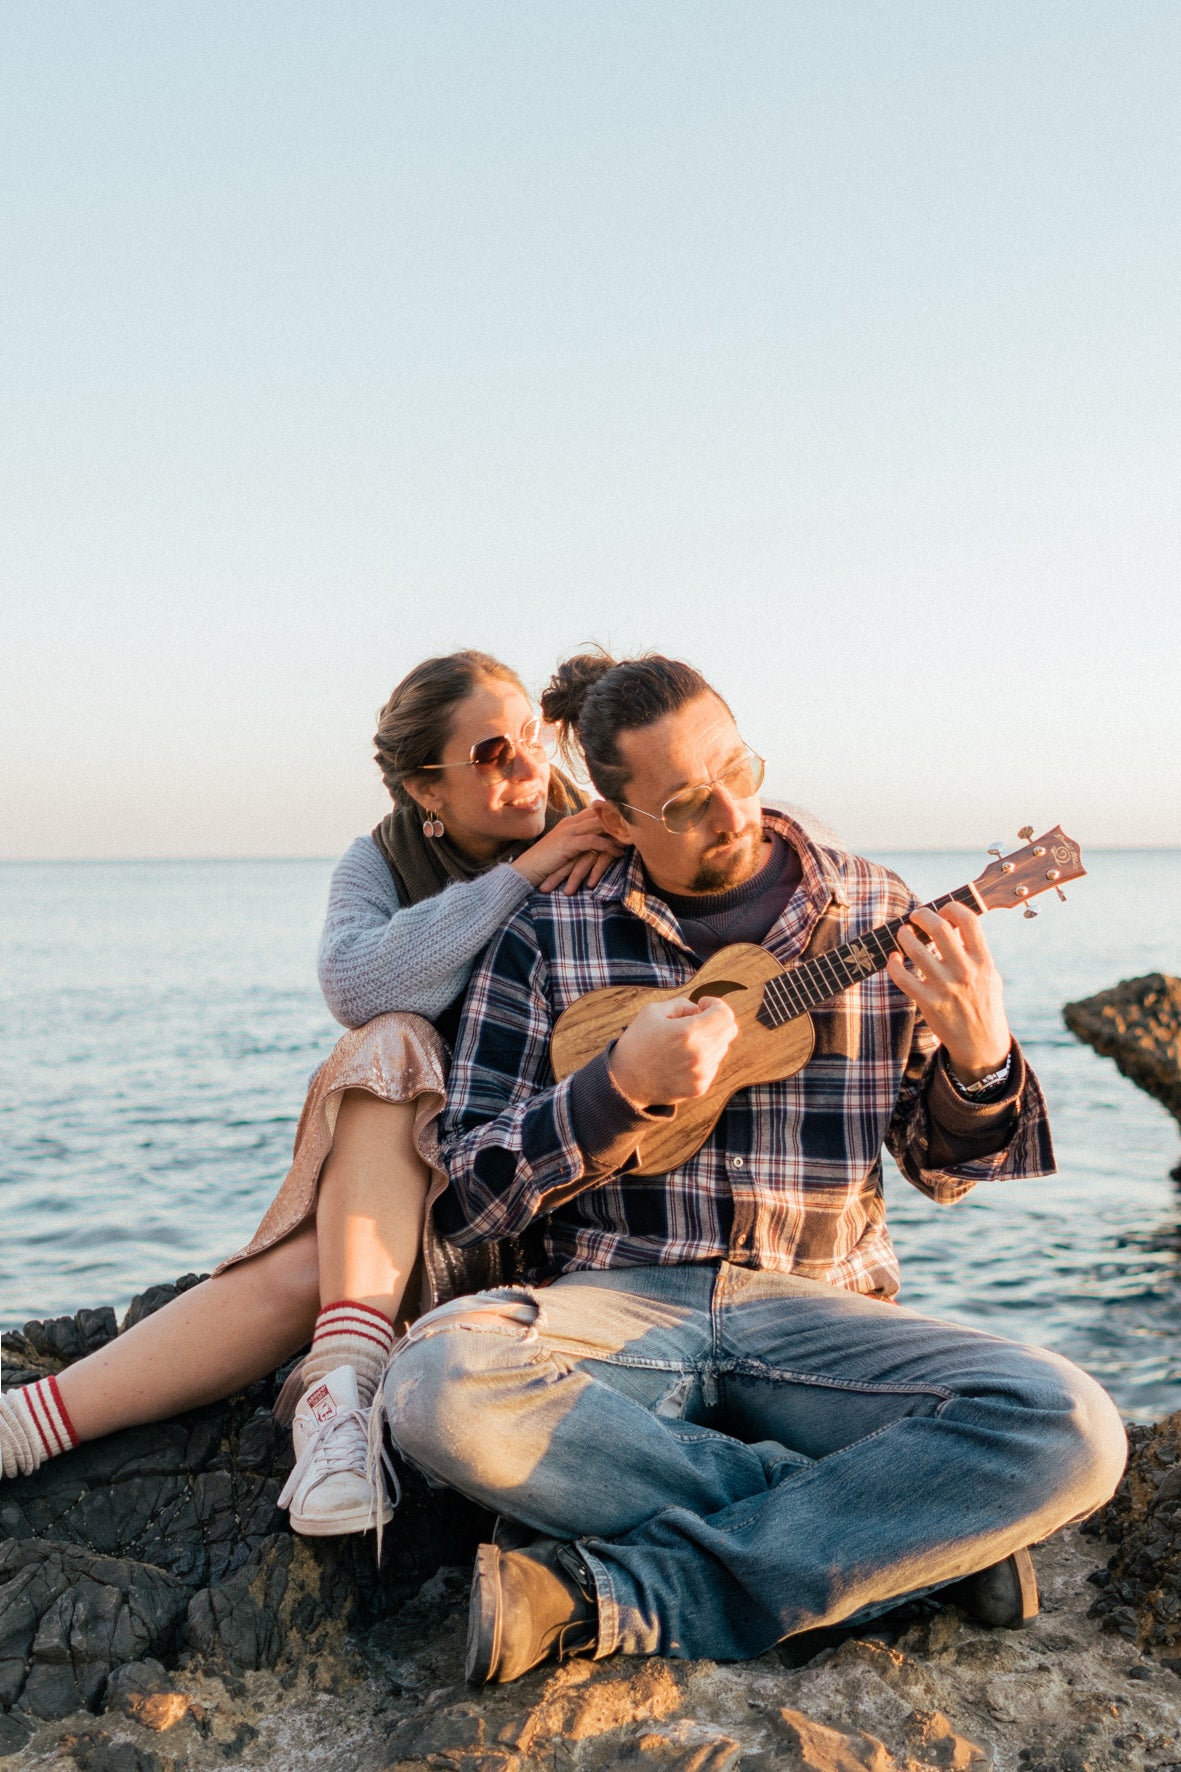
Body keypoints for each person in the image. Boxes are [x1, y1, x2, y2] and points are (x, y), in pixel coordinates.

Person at [382, 650, 1129, 1685]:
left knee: (1073, 1427)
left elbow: (947, 1166)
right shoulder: (547, 934)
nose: (732, 811)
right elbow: (465, 1195)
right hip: (616, 1312)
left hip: (818, 1314)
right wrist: (610, 1091)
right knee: (431, 1382)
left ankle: (622, 1591)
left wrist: (980, 1055)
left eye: (738, 769)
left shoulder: (870, 907)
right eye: (686, 801)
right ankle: (884, 1529)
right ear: (618, 814)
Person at [0, 650, 620, 1540]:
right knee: (392, 1041)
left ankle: (314, 1384)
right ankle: (45, 1430)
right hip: (418, 1188)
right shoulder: (378, 863)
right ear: (425, 790)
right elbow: (357, 983)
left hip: (537, 1183)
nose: (529, 766)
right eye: (492, 753)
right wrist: (520, 874)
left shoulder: (598, 834)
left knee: (317, 1266)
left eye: (531, 737)